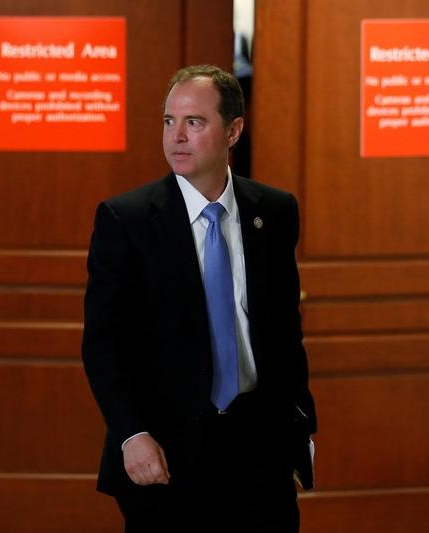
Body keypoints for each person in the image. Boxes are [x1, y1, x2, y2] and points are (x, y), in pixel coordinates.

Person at [82, 64, 316, 533]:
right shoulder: (125, 220)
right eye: (169, 121)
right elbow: (105, 345)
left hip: (258, 450)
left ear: (233, 131)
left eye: (194, 122)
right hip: (165, 452)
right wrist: (132, 434)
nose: (177, 137)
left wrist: (299, 434)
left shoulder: (273, 211)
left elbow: (285, 334)